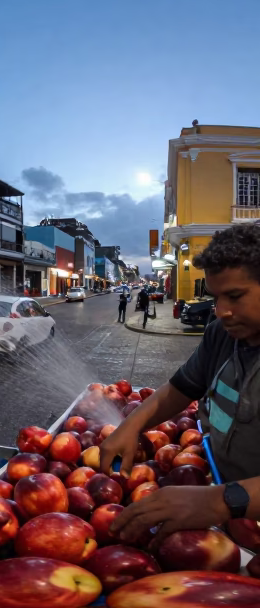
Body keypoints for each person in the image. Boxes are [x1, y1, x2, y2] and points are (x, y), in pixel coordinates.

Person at [98, 223, 260, 545]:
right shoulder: (221, 334)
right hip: (222, 496)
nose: (221, 311)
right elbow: (182, 387)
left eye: (235, 296)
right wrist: (131, 425)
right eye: (215, 297)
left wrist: (219, 502)